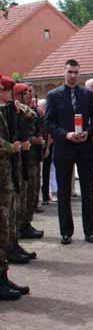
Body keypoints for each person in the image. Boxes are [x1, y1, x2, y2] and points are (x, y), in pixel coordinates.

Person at [45, 59, 93, 245]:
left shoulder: (86, 94)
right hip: (63, 148)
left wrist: (88, 133)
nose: (73, 75)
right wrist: (65, 134)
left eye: (76, 72)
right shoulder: (54, 95)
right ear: (64, 72)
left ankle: (89, 231)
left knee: (87, 191)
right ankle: (66, 232)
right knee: (64, 192)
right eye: (70, 72)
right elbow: (49, 123)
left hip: (84, 148)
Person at [0, 75, 30, 299]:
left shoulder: (6, 111)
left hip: (6, 178)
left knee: (7, 225)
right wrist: (12, 147)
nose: (9, 96)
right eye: (6, 91)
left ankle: (3, 276)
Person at [14, 84, 45, 239]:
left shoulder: (31, 110)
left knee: (33, 191)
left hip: (33, 156)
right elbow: (19, 134)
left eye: (29, 93)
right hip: (23, 158)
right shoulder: (17, 111)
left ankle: (26, 223)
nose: (28, 96)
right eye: (25, 93)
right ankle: (20, 226)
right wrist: (34, 140)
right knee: (24, 193)